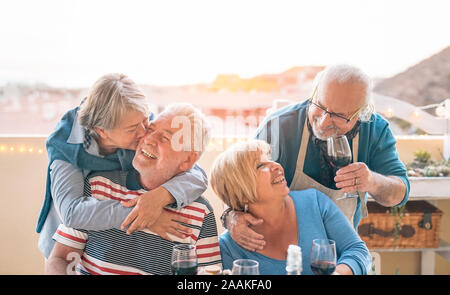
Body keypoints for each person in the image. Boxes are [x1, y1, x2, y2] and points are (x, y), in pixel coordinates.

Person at [221, 64, 410, 251]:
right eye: (320, 105)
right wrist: (231, 217)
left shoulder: (376, 130)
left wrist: (372, 181)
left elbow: (399, 193)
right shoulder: (278, 127)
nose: (324, 121)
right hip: (281, 251)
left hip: (340, 253)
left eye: (338, 115)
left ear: (360, 114)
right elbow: (236, 180)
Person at [38, 73, 208, 258]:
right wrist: (143, 214)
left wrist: (159, 197)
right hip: (66, 247)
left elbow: (195, 174)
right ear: (102, 131)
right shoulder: (65, 146)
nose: (146, 134)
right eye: (132, 129)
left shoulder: (133, 118)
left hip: (115, 244)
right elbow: (71, 213)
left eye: (146, 122)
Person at [46, 103, 221, 275]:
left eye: (165, 138)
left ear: (188, 161)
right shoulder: (98, 186)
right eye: (151, 130)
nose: (149, 139)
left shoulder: (201, 213)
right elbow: (60, 259)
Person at [211, 140, 371, 275]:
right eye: (260, 165)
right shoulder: (228, 248)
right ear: (242, 193)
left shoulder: (314, 202)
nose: (276, 166)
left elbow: (357, 250)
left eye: (270, 158)